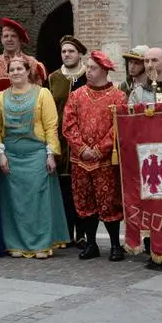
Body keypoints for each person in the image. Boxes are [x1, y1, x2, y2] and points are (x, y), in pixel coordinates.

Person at [0, 57, 69, 259]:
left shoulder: (42, 94)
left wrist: (51, 154)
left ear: (28, 71)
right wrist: (0, 154)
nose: (16, 72)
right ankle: (15, 243)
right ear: (7, 73)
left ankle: (41, 244)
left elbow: (51, 125)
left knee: (38, 199)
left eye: (20, 68)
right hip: (11, 155)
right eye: (12, 69)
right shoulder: (0, 97)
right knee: (14, 202)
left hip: (36, 153)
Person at [62, 51, 126, 261]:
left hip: (105, 160)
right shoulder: (76, 95)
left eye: (92, 68)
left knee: (109, 202)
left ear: (104, 70)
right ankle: (91, 243)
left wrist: (99, 150)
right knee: (84, 202)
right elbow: (69, 125)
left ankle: (116, 245)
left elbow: (118, 127)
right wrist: (82, 149)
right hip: (80, 160)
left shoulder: (118, 96)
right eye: (87, 67)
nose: (88, 71)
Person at [47, 35, 88, 249]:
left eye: (71, 51)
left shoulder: (88, 75)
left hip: (84, 140)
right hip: (61, 140)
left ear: (79, 53)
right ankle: (66, 232)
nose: (67, 55)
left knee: (81, 188)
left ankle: (82, 233)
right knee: (64, 189)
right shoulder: (54, 77)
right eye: (64, 51)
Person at [0, 17, 46, 97]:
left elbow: (40, 96)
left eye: (13, 36)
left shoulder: (33, 65)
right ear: (1, 39)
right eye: (6, 36)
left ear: (20, 39)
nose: (9, 39)